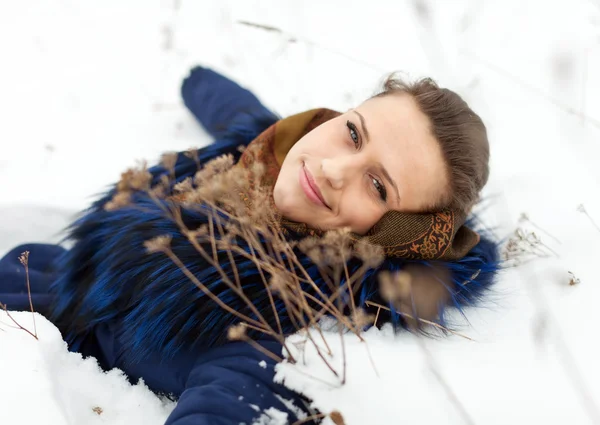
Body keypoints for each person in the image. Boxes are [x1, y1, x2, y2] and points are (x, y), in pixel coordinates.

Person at [0, 66, 499, 425]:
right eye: (352, 132)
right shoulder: (270, 149)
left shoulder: (275, 318)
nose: (331, 169)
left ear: (398, 234)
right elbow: (244, 113)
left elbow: (229, 399)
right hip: (51, 269)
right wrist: (202, 81)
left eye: (377, 186)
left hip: (51, 330)